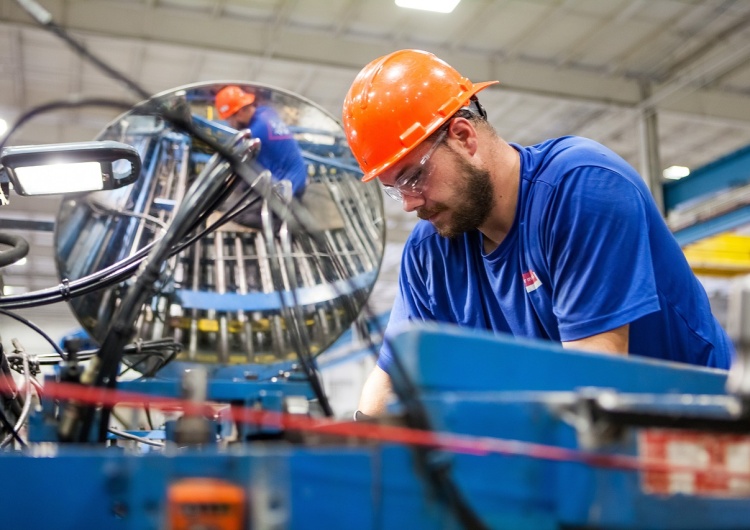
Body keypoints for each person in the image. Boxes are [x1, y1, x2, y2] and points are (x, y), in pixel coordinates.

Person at [341, 49, 735, 416]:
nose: (409, 203)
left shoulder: (582, 188)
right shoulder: (430, 252)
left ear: (464, 137)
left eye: (413, 176)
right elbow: (392, 379)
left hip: (695, 432)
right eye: (395, 188)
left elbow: (594, 382)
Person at [214, 85, 308, 228]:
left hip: (288, 189)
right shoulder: (266, 113)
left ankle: (286, 224)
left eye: (229, 119)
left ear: (239, 113)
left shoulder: (253, 135)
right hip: (299, 176)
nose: (229, 123)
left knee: (235, 213)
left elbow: (239, 165)